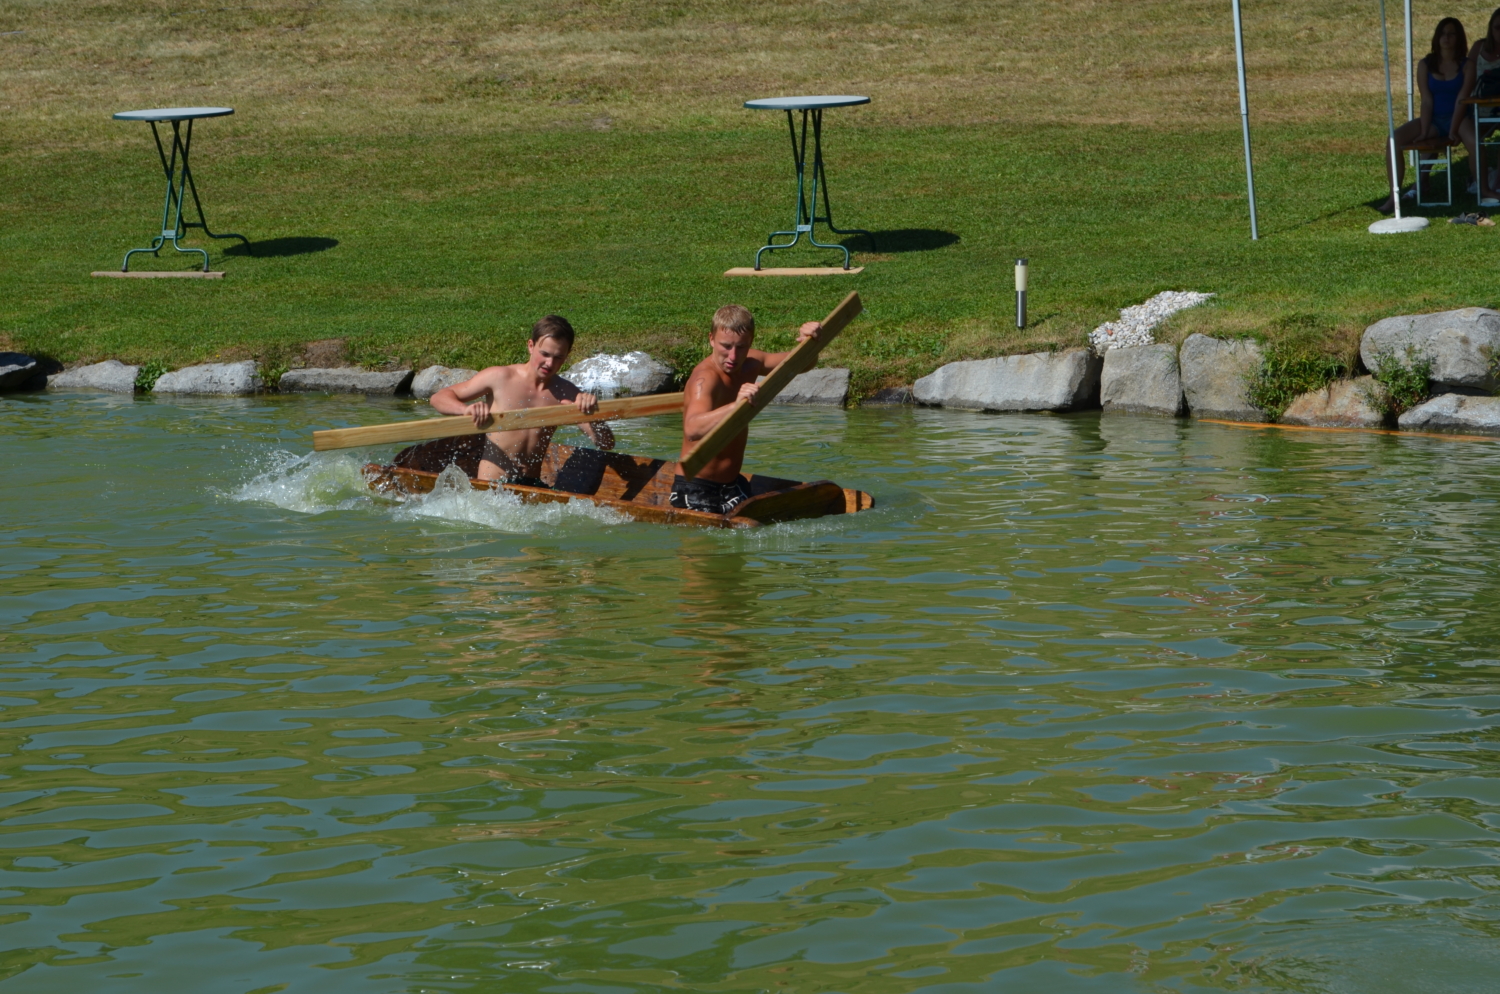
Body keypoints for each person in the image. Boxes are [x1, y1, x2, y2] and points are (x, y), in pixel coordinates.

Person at [429, 315, 613, 486]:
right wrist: (465, 410)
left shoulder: (567, 392)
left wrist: (590, 414)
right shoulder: (499, 377)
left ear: (567, 354)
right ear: (531, 346)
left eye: (558, 357)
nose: (550, 363)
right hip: (491, 488)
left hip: (531, 486)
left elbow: (606, 443)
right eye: (545, 354)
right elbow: (439, 397)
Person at [672, 305, 819, 514]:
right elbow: (692, 429)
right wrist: (736, 405)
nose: (733, 356)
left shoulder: (752, 363)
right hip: (695, 487)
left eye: (741, 347)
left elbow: (801, 364)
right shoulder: (704, 379)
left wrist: (810, 342)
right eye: (726, 346)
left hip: (732, 486)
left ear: (750, 341)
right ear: (711, 339)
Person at [1383, 17, 1471, 212]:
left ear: (1459, 38)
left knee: (1474, 143)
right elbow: (1426, 100)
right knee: (1393, 139)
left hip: (1459, 118)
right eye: (1442, 33)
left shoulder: (1466, 64)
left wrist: (1453, 130)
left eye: (1451, 34)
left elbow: (1461, 100)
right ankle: (1393, 197)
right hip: (1433, 120)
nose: (1446, 38)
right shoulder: (1425, 64)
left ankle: (1483, 190)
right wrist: (1424, 131)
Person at [1453, 10, 1500, 206]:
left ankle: (1495, 185)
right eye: (1497, 28)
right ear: (1490, 29)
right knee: (1471, 138)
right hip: (1475, 109)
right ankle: (1420, 184)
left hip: (1497, 110)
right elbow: (1466, 80)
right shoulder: (1479, 48)